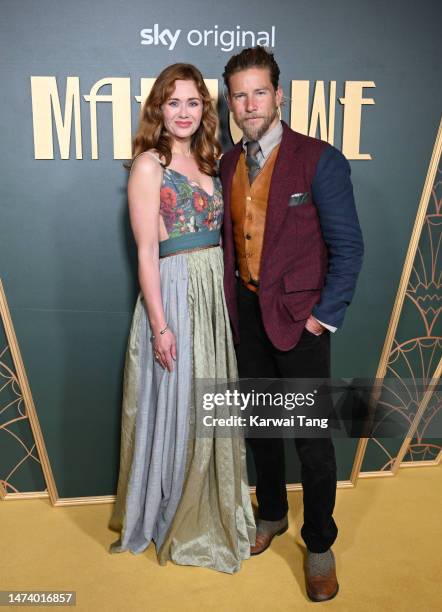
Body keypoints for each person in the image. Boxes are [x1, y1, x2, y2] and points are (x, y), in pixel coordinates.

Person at [220, 47, 364, 600]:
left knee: (313, 441)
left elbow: (348, 248)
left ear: (280, 96)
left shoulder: (319, 159)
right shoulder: (230, 164)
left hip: (302, 323)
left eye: (260, 92)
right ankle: (273, 513)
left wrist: (321, 321)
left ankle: (321, 543)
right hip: (248, 317)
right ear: (230, 102)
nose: (250, 104)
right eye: (239, 94)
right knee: (260, 426)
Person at [108, 63, 255, 574]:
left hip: (214, 294)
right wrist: (160, 324)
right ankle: (171, 507)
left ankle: (210, 504)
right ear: (158, 108)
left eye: (194, 102)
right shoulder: (150, 165)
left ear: (206, 109)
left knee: (208, 398)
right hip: (172, 291)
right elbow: (147, 253)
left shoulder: (216, 163)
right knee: (176, 400)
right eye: (174, 103)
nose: (185, 113)